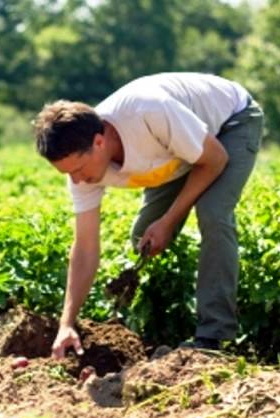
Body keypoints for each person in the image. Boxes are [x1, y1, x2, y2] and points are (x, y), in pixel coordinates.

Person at [32, 72, 264, 359]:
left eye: (78, 169)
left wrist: (168, 221)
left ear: (99, 142)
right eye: (68, 174)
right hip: (181, 149)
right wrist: (66, 323)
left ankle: (214, 337)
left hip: (230, 123)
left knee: (213, 213)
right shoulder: (81, 169)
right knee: (143, 238)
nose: (77, 180)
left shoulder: (148, 112)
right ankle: (164, 324)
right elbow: (85, 247)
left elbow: (215, 159)